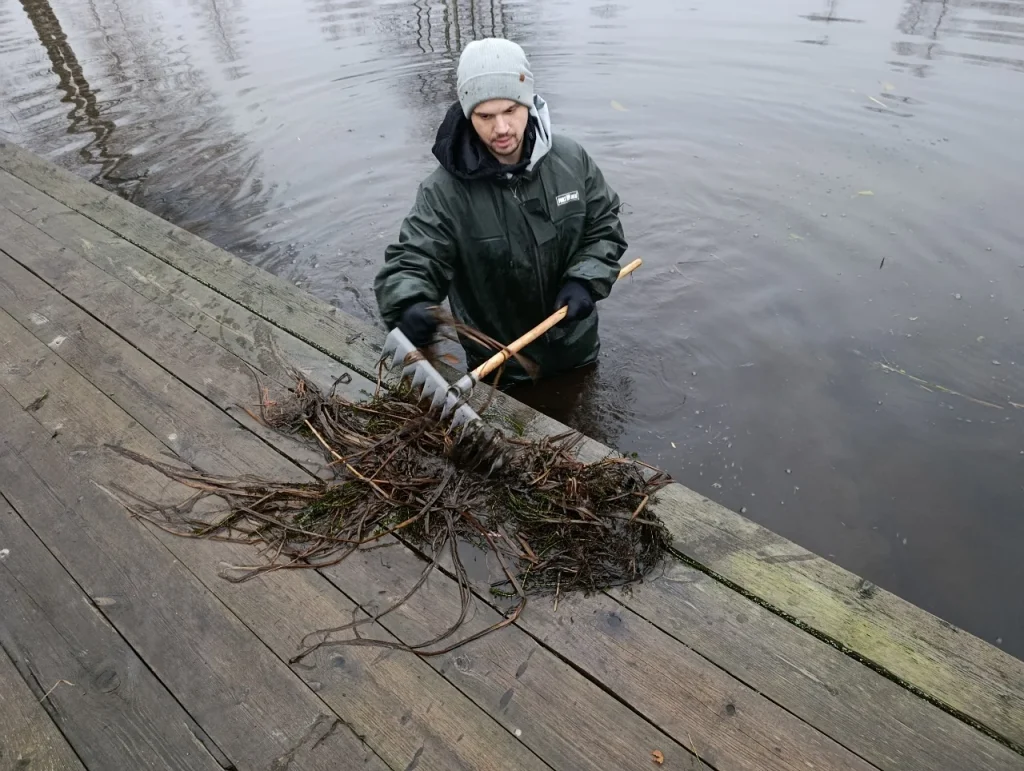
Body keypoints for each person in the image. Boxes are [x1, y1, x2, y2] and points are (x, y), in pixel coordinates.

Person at [373, 37, 628, 386]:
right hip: (499, 369)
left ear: (529, 103)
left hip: (578, 350)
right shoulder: (443, 192)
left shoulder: (572, 160)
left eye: (511, 110)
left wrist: (585, 278)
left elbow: (604, 227)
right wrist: (409, 304)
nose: (502, 129)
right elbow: (414, 257)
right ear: (468, 114)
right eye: (485, 116)